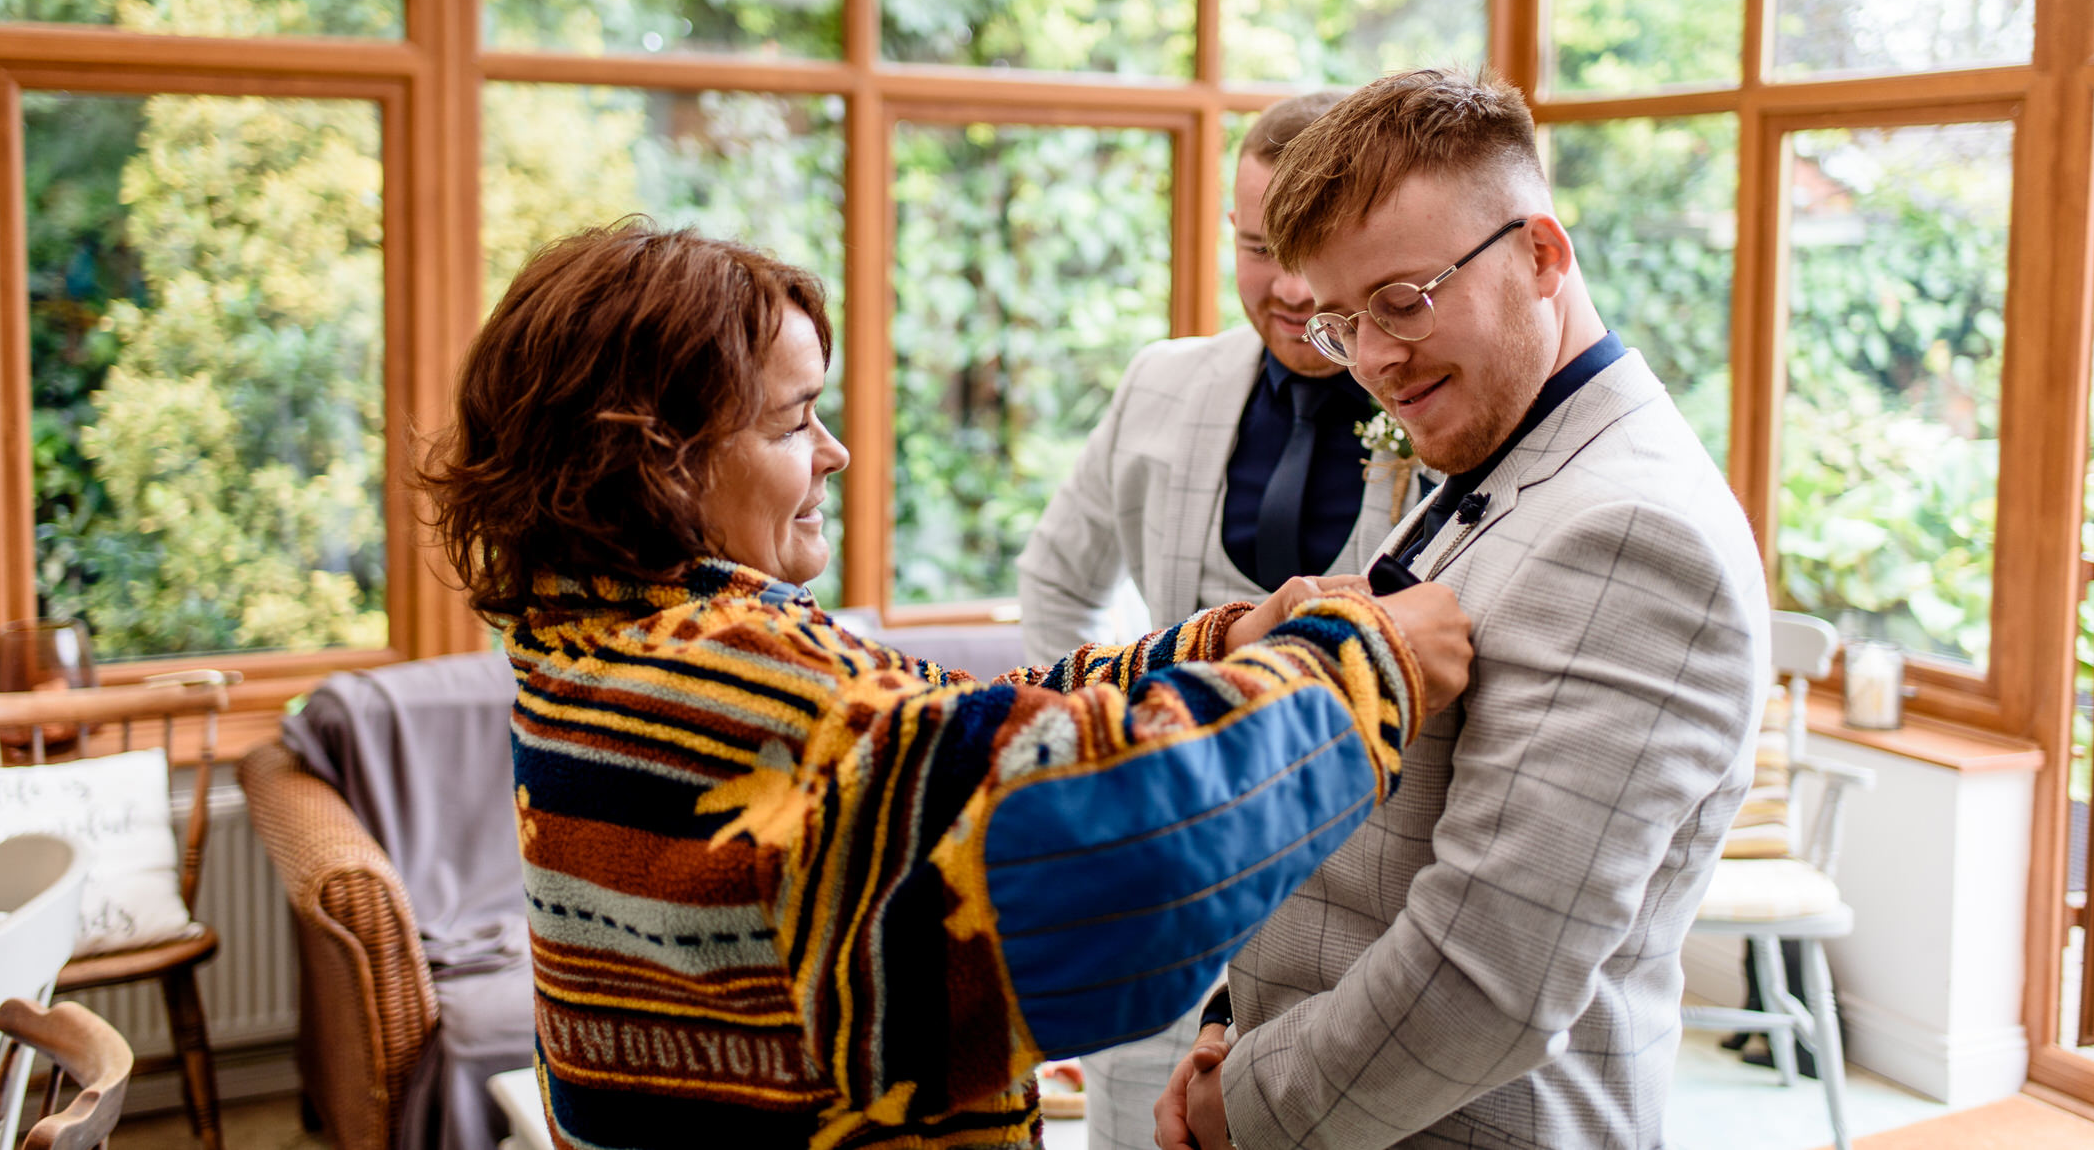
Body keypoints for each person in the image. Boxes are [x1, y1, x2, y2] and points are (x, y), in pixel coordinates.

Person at [416, 219, 1477, 1150]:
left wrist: (1222, 638)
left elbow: (942, 727)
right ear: (659, 460)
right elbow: (1122, 835)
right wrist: (1362, 665)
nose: (831, 452)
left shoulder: (583, 638)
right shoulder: (754, 685)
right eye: (791, 422)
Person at [1155, 70, 1768, 1150]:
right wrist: (1227, 1026)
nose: (1376, 361)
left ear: (1540, 253)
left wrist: (1239, 1108)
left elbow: (1487, 976)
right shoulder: (1493, 452)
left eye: (1401, 300)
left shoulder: (1633, 534)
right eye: (1344, 322)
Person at [1020, 92, 1436, 1150]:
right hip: (1160, 903)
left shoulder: (1442, 399)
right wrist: (1116, 779)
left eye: (1313, 250)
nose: (1289, 288)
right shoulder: (1161, 383)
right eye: (1258, 247)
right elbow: (1056, 583)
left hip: (1363, 933)